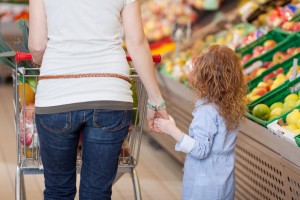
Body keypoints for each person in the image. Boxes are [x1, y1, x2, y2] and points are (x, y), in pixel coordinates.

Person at [28, 0, 167, 199]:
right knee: (97, 192)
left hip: (56, 96)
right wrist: (156, 100)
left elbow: (37, 45)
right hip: (110, 94)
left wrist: (53, 65)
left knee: (57, 191)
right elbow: (136, 44)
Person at [155, 45, 247, 200]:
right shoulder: (230, 106)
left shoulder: (207, 111)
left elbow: (200, 150)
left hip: (204, 184)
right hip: (224, 179)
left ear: (203, 79)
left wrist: (171, 129)